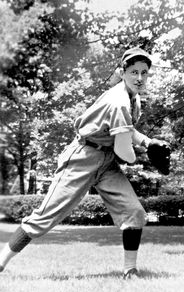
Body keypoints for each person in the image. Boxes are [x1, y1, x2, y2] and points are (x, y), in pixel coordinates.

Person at [0, 47, 166, 279]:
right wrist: (146, 154)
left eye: (144, 72)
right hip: (82, 157)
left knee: (134, 213)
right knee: (44, 217)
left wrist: (148, 143)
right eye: (133, 72)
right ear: (122, 72)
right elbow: (123, 151)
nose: (139, 78)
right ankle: (1, 261)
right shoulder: (118, 101)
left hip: (106, 160)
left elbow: (127, 132)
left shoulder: (133, 97)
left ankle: (130, 271)